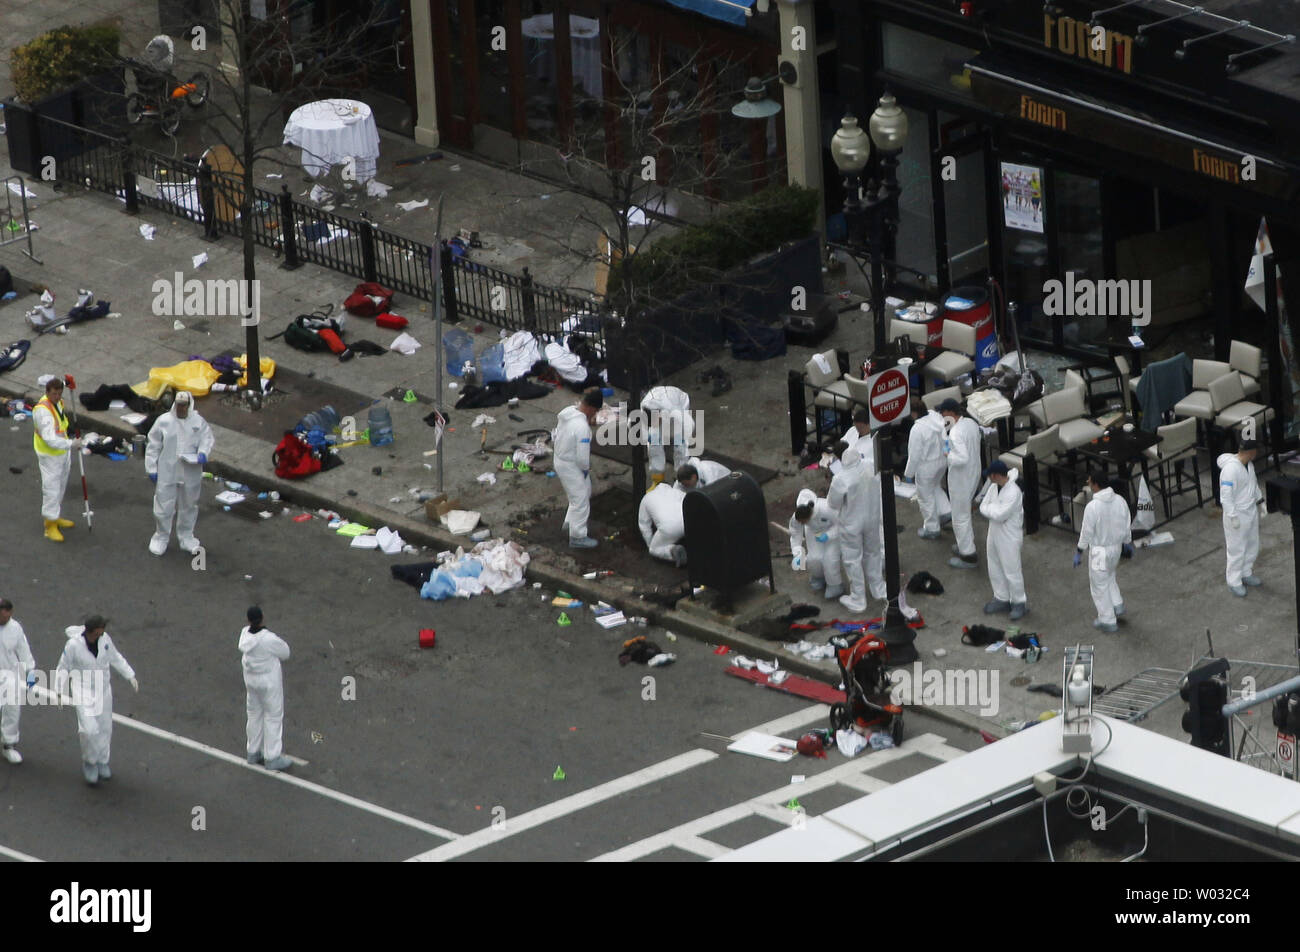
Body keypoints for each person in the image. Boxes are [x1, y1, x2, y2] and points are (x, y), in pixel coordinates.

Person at [55, 615, 137, 786]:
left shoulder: (104, 640)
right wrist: (59, 690)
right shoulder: (73, 646)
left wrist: (130, 675)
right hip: (83, 690)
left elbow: (115, 657)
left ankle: (102, 760)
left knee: (105, 727)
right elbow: (63, 667)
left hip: (103, 690)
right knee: (89, 729)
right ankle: (90, 762)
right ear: (91, 631)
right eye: (99, 632)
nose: (102, 634)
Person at [144, 390, 215, 556]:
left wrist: (203, 452)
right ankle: (161, 536)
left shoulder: (198, 422)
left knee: (189, 505)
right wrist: (152, 468)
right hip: (167, 470)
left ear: (189, 406)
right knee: (163, 505)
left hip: (190, 471)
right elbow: (153, 445)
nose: (181, 409)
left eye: (184, 406)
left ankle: (186, 537)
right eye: (179, 405)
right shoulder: (164, 422)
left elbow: (207, 438)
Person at [1075, 471, 1133, 632]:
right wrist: (1127, 542)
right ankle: (1117, 603)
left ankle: (1107, 619)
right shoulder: (1120, 501)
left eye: (1089, 481)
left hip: (1099, 552)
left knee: (1099, 584)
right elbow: (1126, 523)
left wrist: (1080, 551)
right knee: (1109, 575)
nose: (1088, 482)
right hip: (1116, 548)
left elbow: (1086, 532)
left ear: (1095, 485)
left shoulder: (1093, 507)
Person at [239, 606, 292, 771]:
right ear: (262, 618)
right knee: (273, 716)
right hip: (269, 683)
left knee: (254, 714)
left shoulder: (244, 635)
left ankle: (253, 751)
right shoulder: (269, 639)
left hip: (251, 682)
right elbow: (285, 653)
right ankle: (272, 757)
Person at [32, 376, 82, 542]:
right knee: (51, 489)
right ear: (47, 393)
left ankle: (55, 516)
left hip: (61, 452)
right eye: (54, 394)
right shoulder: (43, 412)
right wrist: (71, 444)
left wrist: (67, 382)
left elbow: (57, 381)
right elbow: (49, 439)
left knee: (61, 485)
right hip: (50, 455)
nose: (58, 397)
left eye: (60, 393)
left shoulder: (56, 402)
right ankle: (50, 524)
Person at [553, 389, 603, 549]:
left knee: (583, 492)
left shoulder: (569, 412)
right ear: (591, 408)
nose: (594, 415)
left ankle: (570, 522)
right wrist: (585, 469)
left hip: (560, 457)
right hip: (571, 465)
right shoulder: (581, 427)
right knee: (580, 499)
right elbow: (582, 457)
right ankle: (577, 536)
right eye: (595, 411)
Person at [980, 460, 1028, 620]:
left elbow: (1000, 515)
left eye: (990, 476)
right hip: (994, 531)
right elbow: (983, 506)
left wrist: (990, 509)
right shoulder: (994, 487)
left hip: (1009, 536)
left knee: (1012, 570)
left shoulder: (1013, 492)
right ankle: (1001, 597)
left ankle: (1019, 602)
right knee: (993, 564)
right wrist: (992, 510)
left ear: (995, 475)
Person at [1218, 439, 1265, 597]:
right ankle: (1234, 581)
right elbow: (1226, 496)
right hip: (1237, 514)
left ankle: (1246, 572)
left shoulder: (1249, 466)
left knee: (1252, 544)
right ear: (1250, 452)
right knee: (1237, 549)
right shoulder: (1230, 470)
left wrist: (1260, 502)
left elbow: (1253, 485)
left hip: (1250, 511)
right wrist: (1232, 516)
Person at [940, 399, 982, 570]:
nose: (942, 417)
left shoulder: (956, 433)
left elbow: (961, 458)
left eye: (943, 413)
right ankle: (965, 543)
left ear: (950, 412)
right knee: (964, 513)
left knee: (960, 517)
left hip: (961, 479)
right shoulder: (971, 423)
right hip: (973, 474)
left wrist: (947, 454)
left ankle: (968, 554)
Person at [904, 399, 950, 539]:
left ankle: (932, 528)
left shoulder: (917, 429)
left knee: (925, 496)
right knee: (935, 486)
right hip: (942, 461)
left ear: (914, 413)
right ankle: (946, 511)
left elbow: (915, 455)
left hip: (926, 467)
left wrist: (909, 473)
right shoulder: (936, 417)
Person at [788, 488, 843, 600]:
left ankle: (835, 585)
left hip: (831, 533)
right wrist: (797, 552)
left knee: (829, 559)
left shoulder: (827, 508)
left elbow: (842, 523)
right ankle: (818, 577)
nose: (802, 523)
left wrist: (829, 535)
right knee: (814, 558)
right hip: (813, 533)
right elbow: (795, 534)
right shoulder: (797, 518)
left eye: (804, 521)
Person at [0, 599, 37, 765]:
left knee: (12, 711)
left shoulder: (15, 630)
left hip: (9, 676)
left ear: (9, 612)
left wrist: (30, 680)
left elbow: (25, 655)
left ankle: (8, 745)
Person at [641, 385, 694, 486]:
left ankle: (681, 476)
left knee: (680, 444)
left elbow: (689, 426)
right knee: (653, 440)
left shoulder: (674, 410)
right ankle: (657, 478)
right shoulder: (643, 408)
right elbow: (633, 424)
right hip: (660, 402)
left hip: (678, 401)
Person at [638, 482, 688, 566]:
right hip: (688, 520)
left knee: (654, 549)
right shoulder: (676, 492)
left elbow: (644, 524)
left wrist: (650, 543)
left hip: (670, 528)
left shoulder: (647, 498)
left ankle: (673, 551)